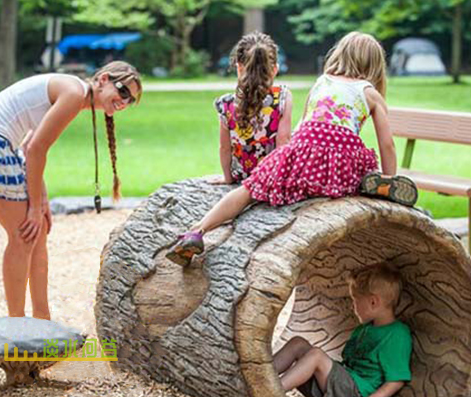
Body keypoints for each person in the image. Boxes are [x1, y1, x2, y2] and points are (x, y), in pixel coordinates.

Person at [165, 32, 417, 267]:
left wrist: (288, 163)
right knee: (359, 168)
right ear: (375, 66)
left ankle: (197, 231)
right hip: (341, 162)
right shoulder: (369, 93)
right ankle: (378, 185)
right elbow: (387, 143)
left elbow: (304, 124)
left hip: (304, 149)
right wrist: (389, 176)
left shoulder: (322, 82)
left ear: (339, 54)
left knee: (250, 189)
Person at [0, 61, 142, 320]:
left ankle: (42, 320)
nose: (124, 101)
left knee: (37, 230)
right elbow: (35, 150)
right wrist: (33, 207)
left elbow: (30, 146)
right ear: (104, 79)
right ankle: (16, 325)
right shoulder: (74, 93)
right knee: (23, 235)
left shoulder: (74, 94)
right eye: (122, 92)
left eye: (130, 100)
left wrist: (41, 204)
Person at [272, 262, 412, 397]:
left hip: (355, 395)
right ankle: (261, 378)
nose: (353, 306)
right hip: (341, 386)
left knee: (316, 356)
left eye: (355, 300)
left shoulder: (396, 334)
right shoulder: (364, 329)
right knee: (298, 342)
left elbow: (396, 380)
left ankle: (270, 395)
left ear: (373, 302)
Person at [212, 32, 293, 185]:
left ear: (239, 68)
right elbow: (283, 140)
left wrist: (227, 178)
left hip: (242, 175)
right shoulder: (282, 97)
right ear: (274, 69)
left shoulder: (226, 103)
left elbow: (224, 147)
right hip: (270, 174)